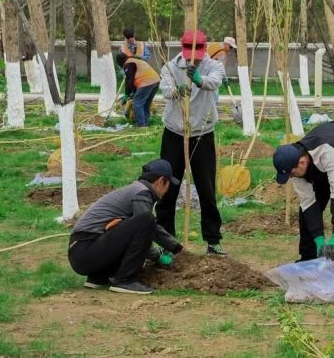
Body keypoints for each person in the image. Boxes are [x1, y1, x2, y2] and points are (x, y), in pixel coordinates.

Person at [272, 120, 334, 289]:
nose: (291, 177)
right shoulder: (297, 167)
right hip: (323, 160)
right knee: (306, 213)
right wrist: (319, 238)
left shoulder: (327, 152)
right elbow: (308, 203)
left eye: (291, 174)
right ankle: (308, 262)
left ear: (302, 163)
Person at [157, 29, 227, 254]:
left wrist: (198, 79)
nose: (192, 58)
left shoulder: (213, 66)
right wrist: (177, 90)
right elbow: (165, 89)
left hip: (202, 133)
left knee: (206, 189)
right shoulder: (170, 66)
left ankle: (213, 241)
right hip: (175, 133)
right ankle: (167, 243)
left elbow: (214, 83)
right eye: (188, 53)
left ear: (204, 49)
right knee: (167, 188)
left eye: (196, 53)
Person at [68, 159, 183, 295]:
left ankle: (99, 277)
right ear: (161, 181)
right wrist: (161, 255)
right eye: (168, 184)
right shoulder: (142, 193)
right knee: (147, 219)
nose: (168, 189)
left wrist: (174, 247)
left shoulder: (135, 190)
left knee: (130, 223)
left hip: (82, 253)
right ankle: (125, 280)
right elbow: (147, 227)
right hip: (85, 251)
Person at [116, 51, 160, 127]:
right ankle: (145, 123)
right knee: (146, 103)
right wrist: (133, 93)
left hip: (146, 82)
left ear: (120, 62)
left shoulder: (127, 64)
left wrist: (126, 94)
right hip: (156, 80)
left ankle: (141, 125)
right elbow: (135, 81)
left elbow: (129, 81)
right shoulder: (136, 61)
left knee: (137, 103)